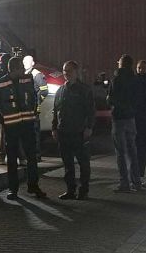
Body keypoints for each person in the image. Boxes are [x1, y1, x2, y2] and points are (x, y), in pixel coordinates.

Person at [0, 56, 46, 200]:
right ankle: (13, 189)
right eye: (20, 67)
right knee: (12, 159)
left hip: (27, 124)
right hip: (11, 127)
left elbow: (34, 97)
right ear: (14, 69)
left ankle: (33, 186)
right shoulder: (0, 83)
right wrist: (2, 120)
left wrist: (34, 111)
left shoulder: (27, 80)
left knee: (32, 157)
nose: (23, 69)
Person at [51, 60, 95, 200]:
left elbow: (90, 111)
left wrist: (89, 127)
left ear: (77, 72)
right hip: (64, 132)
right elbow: (56, 111)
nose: (66, 73)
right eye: (64, 71)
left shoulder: (84, 90)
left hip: (79, 132)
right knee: (68, 164)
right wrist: (54, 128)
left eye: (69, 71)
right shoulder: (61, 90)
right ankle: (70, 190)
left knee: (83, 163)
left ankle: (84, 191)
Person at [107, 54, 142, 192]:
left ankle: (124, 183)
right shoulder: (135, 79)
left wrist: (110, 100)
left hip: (119, 118)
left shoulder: (116, 78)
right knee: (132, 151)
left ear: (121, 64)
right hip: (131, 118)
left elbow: (111, 98)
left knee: (121, 152)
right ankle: (137, 182)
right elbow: (138, 98)